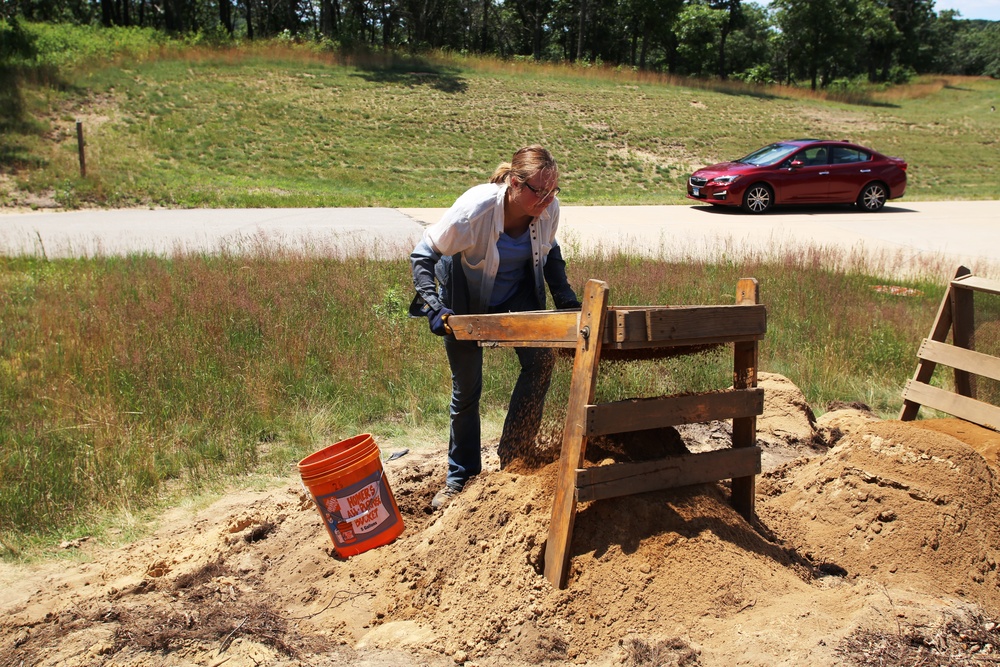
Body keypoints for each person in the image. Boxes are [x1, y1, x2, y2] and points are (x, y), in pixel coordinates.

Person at [409, 145, 581, 510]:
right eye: (541, 192)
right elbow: (423, 256)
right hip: (465, 295)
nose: (549, 200)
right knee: (467, 389)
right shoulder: (477, 209)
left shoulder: (547, 208)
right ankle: (461, 477)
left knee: (540, 363)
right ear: (516, 185)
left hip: (516, 292)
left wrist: (567, 300)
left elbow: (549, 255)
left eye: (555, 192)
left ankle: (516, 456)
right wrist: (434, 305)